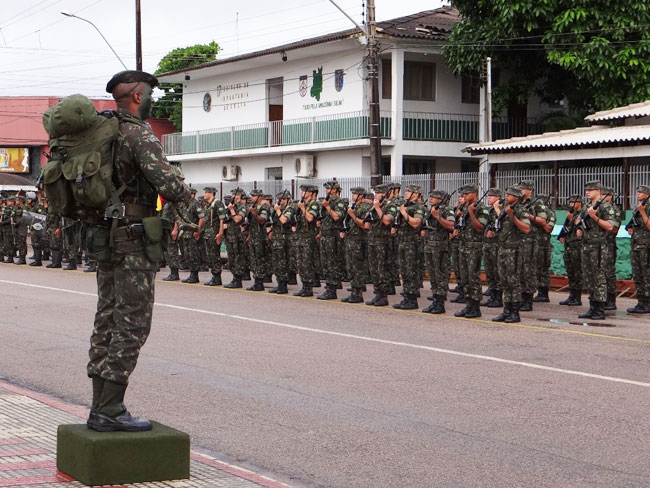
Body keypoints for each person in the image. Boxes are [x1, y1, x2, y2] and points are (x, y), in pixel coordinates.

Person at [86, 70, 190, 432]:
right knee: (132, 323)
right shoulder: (138, 135)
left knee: (107, 317)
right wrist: (180, 186)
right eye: (148, 96)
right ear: (136, 96)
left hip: (104, 240)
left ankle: (100, 403)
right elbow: (170, 186)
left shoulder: (104, 133)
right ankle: (110, 409)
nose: (150, 102)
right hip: (133, 243)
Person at [575, 180, 617, 320]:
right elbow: (581, 221)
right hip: (586, 245)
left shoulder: (606, 207)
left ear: (598, 191)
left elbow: (610, 227)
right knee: (589, 277)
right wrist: (580, 229)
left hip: (599, 246)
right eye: (586, 189)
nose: (587, 192)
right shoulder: (586, 206)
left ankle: (599, 309)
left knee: (599, 277)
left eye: (591, 189)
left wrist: (594, 217)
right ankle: (592, 307)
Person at [491, 186, 531, 323]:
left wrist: (512, 216)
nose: (506, 196)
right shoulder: (504, 209)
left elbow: (526, 229)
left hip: (514, 251)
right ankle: (506, 310)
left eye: (510, 194)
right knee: (504, 282)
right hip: (502, 249)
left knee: (514, 282)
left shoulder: (521, 210)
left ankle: (515, 312)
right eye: (506, 194)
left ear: (517, 197)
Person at [452, 184, 489, 318]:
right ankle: (468, 305)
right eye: (462, 195)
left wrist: (471, 212)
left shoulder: (481, 209)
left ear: (474, 194)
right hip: (463, 246)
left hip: (474, 247)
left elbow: (479, 228)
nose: (463, 197)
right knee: (465, 278)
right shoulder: (464, 209)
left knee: (473, 277)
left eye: (466, 194)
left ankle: (475, 306)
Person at [421, 189, 455, 314]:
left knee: (440, 275)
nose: (431, 199)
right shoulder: (431, 210)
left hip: (440, 247)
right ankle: (435, 301)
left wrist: (437, 216)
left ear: (441, 199)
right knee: (433, 276)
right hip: (429, 246)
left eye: (434, 197)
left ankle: (440, 303)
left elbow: (451, 225)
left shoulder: (446, 210)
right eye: (430, 197)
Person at [393, 184, 425, 310]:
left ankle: (412, 299)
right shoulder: (405, 206)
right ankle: (406, 297)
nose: (406, 193)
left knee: (411, 271)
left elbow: (415, 223)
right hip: (402, 242)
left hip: (412, 243)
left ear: (416, 194)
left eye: (409, 191)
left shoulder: (418, 207)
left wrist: (403, 213)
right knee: (405, 272)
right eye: (406, 191)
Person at [318, 181, 346, 300]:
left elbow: (337, 217)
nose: (327, 190)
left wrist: (328, 207)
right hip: (325, 236)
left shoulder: (340, 202)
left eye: (329, 188)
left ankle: (332, 289)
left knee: (332, 263)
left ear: (335, 190)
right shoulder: (327, 201)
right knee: (326, 263)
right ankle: (329, 286)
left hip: (333, 236)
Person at [626, 184, 650, 314]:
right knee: (638, 274)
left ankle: (647, 302)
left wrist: (642, 212)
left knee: (646, 275)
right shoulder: (638, 208)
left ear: (647, 194)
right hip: (636, 245)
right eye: (637, 192)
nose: (638, 194)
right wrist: (631, 229)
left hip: (646, 246)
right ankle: (641, 302)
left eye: (641, 192)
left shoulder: (646, 208)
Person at [558, 195, 584, 306]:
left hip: (577, 247)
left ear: (580, 203)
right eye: (571, 202)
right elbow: (566, 228)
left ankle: (577, 297)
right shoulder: (570, 214)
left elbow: (579, 225)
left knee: (577, 273)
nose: (571, 204)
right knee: (570, 272)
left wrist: (571, 218)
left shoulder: (582, 213)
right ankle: (571, 295)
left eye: (574, 202)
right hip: (568, 246)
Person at [481, 188, 503, 308]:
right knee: (490, 271)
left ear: (497, 198)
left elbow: (505, 222)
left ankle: (498, 298)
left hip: (497, 245)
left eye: (491, 196)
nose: (488, 198)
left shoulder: (501, 209)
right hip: (488, 244)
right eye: (488, 196)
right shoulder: (489, 210)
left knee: (497, 271)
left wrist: (497, 208)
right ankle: (492, 295)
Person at [602, 187, 621, 310]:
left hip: (609, 244)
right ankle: (602, 298)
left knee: (609, 273)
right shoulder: (600, 208)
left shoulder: (615, 210)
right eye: (603, 194)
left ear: (611, 196)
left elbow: (614, 229)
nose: (604, 196)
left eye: (606, 194)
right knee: (601, 273)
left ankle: (611, 300)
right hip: (600, 244)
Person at [202, 187, 226, 286]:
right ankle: (214, 276)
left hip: (214, 233)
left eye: (206, 193)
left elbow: (222, 219)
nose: (204, 195)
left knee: (215, 255)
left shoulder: (217, 203)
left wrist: (220, 233)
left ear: (211, 193)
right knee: (211, 255)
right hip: (208, 233)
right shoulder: (208, 205)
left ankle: (217, 277)